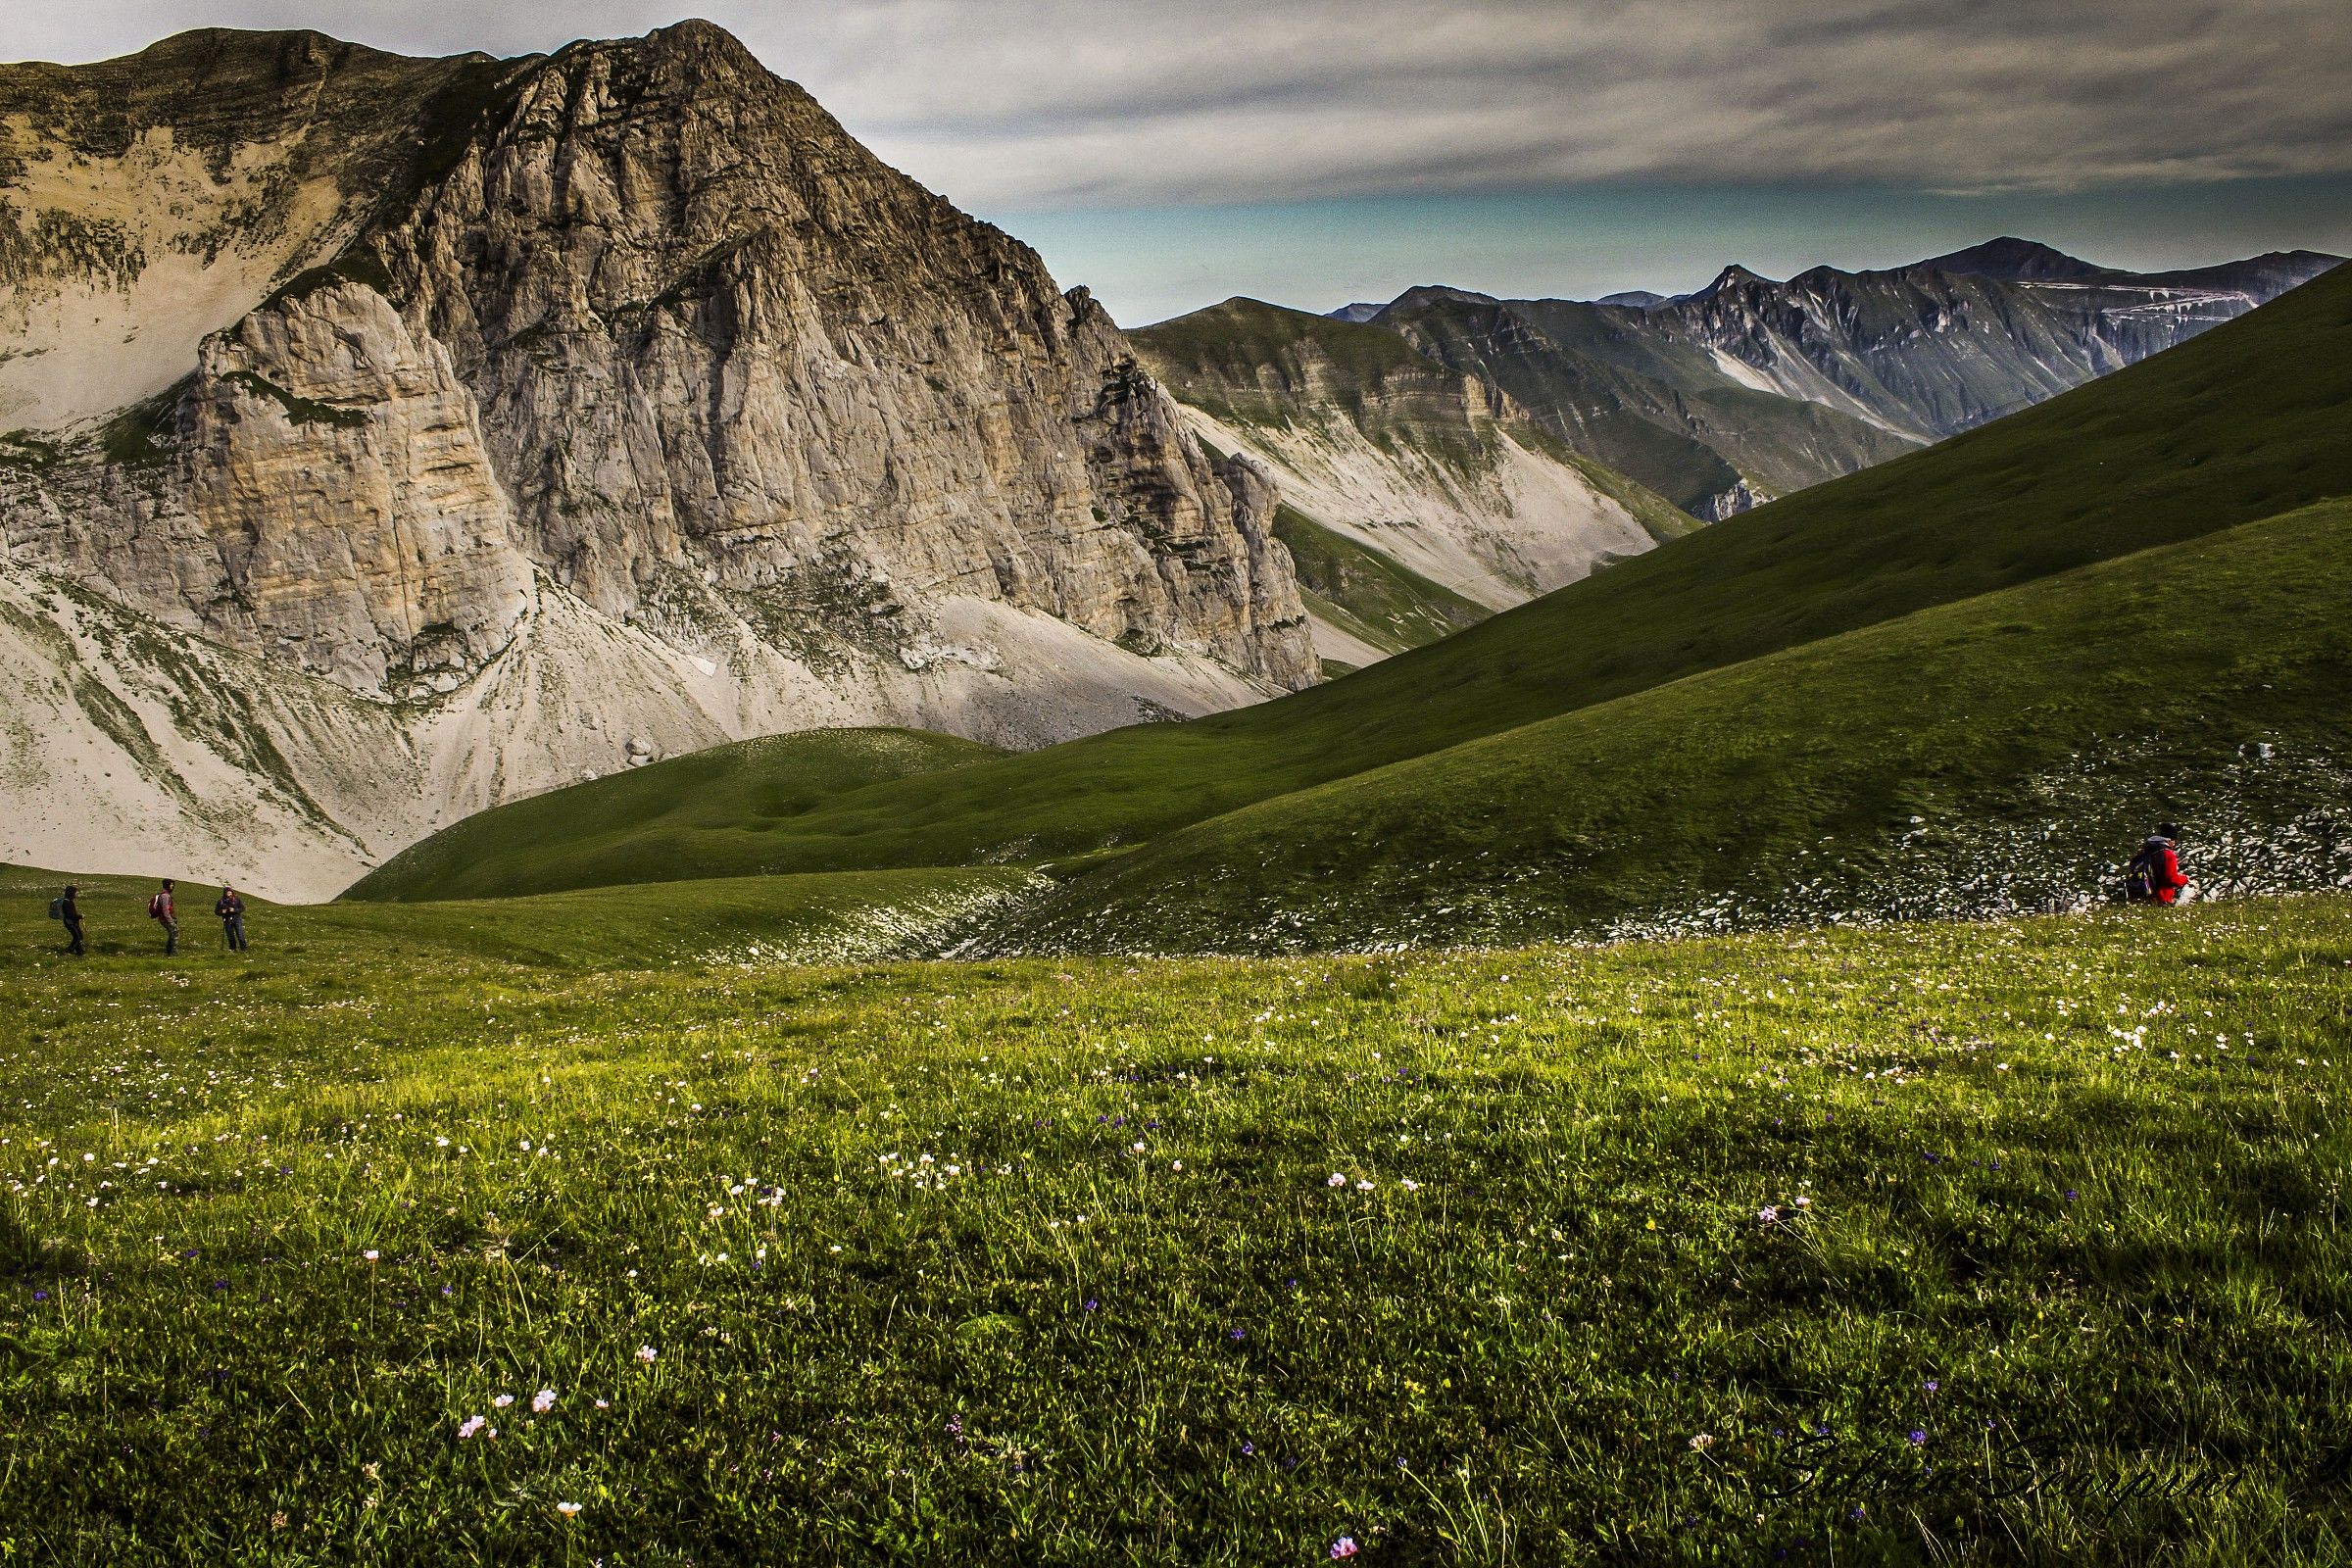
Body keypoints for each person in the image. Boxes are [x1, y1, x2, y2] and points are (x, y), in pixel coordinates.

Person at [2125, 823, 2189, 906]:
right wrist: (2185, 878)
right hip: (2162, 897)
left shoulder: (2148, 850)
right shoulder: (2168, 854)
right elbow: (2171, 879)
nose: (2174, 844)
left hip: (2146, 894)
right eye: (2174, 841)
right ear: (2169, 840)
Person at [148, 877, 178, 956]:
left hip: (165, 919)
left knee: (172, 934)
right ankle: (173, 953)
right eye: (171, 884)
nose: (172, 886)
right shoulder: (165, 896)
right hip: (165, 919)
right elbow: (165, 910)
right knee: (174, 934)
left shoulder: (166, 895)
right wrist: (171, 921)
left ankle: (169, 951)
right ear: (167, 885)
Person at [216, 885, 248, 953]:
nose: (229, 894)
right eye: (228, 893)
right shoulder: (221, 901)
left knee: (240, 934)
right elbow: (216, 911)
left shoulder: (236, 899)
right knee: (230, 935)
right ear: (225, 893)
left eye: (230, 893)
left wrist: (235, 910)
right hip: (226, 919)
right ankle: (233, 949)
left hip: (236, 918)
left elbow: (242, 908)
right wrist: (222, 911)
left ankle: (244, 949)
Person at [58, 885, 84, 956]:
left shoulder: (69, 901)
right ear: (71, 893)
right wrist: (80, 916)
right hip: (70, 923)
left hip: (73, 922)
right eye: (75, 893)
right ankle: (68, 951)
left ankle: (80, 952)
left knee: (79, 936)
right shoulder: (67, 903)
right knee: (77, 937)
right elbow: (70, 915)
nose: (76, 894)